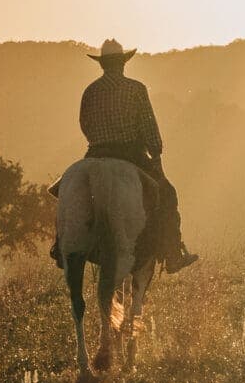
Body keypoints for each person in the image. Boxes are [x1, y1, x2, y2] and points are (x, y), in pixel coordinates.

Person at [80, 39, 199, 272]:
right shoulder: (136, 89)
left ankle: (61, 246)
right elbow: (149, 129)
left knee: (68, 192)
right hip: (130, 154)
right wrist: (155, 154)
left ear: (102, 65)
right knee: (167, 195)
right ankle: (173, 253)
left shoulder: (90, 91)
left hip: (95, 155)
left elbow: (84, 124)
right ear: (123, 63)